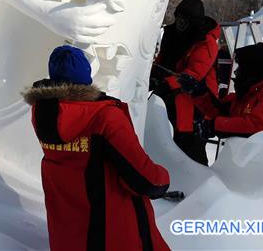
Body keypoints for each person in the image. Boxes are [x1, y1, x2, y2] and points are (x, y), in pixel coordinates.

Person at [24, 45, 170, 251]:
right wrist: (163, 178)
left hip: (68, 237)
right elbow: (145, 179)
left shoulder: (42, 114)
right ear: (86, 75)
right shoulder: (105, 117)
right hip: (111, 234)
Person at [195, 43, 263, 171]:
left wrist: (214, 125)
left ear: (251, 69)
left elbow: (257, 127)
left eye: (240, 67)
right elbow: (220, 110)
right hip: (250, 170)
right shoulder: (249, 94)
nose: (236, 72)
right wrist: (198, 92)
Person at [150, 0, 221, 165]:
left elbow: (195, 73)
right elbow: (161, 60)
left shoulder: (205, 42)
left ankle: (202, 186)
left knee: (191, 150)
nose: (180, 24)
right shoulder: (171, 35)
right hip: (169, 97)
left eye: (185, 20)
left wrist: (167, 82)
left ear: (194, 22)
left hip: (196, 102)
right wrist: (151, 75)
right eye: (179, 19)